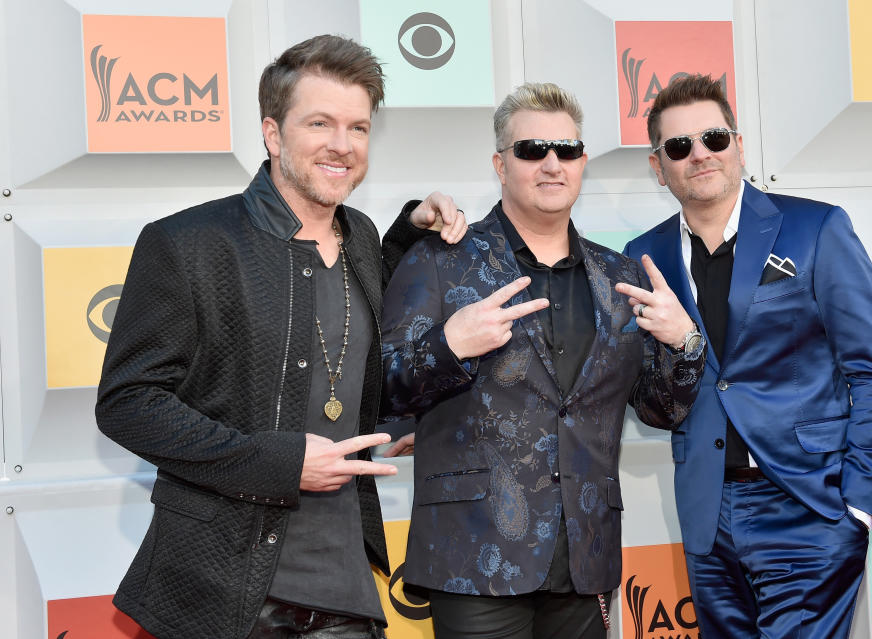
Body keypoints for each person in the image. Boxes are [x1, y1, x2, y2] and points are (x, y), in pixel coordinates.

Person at [95, 35, 466, 639]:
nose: (342, 146)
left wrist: (409, 232)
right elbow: (127, 404)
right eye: (320, 123)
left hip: (347, 589)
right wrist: (277, 462)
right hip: (220, 594)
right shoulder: (188, 244)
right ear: (272, 133)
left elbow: (346, 339)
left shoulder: (365, 239)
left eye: (359, 128)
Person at [379, 82, 705, 639]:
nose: (552, 164)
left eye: (568, 150)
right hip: (472, 555)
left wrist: (685, 346)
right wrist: (449, 347)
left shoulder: (621, 277)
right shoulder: (441, 259)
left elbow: (659, 410)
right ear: (500, 165)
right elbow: (384, 386)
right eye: (532, 150)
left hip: (586, 557)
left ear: (582, 162)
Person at [623, 74, 872, 638]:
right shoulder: (643, 257)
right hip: (708, 516)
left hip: (809, 508)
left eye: (714, 138)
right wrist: (683, 346)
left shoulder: (815, 228)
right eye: (679, 147)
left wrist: (860, 504)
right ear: (659, 167)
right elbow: (652, 406)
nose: (700, 154)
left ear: (739, 144)